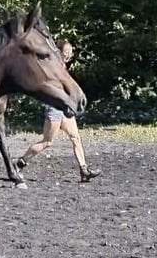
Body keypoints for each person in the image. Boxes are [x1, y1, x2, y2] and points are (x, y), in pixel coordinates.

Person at [15, 40, 101, 183]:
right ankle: (19, 163)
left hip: (65, 108)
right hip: (54, 108)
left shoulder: (63, 67)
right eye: (66, 51)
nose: (68, 54)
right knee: (47, 142)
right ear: (59, 51)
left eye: (70, 51)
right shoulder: (52, 67)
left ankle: (84, 170)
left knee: (75, 138)